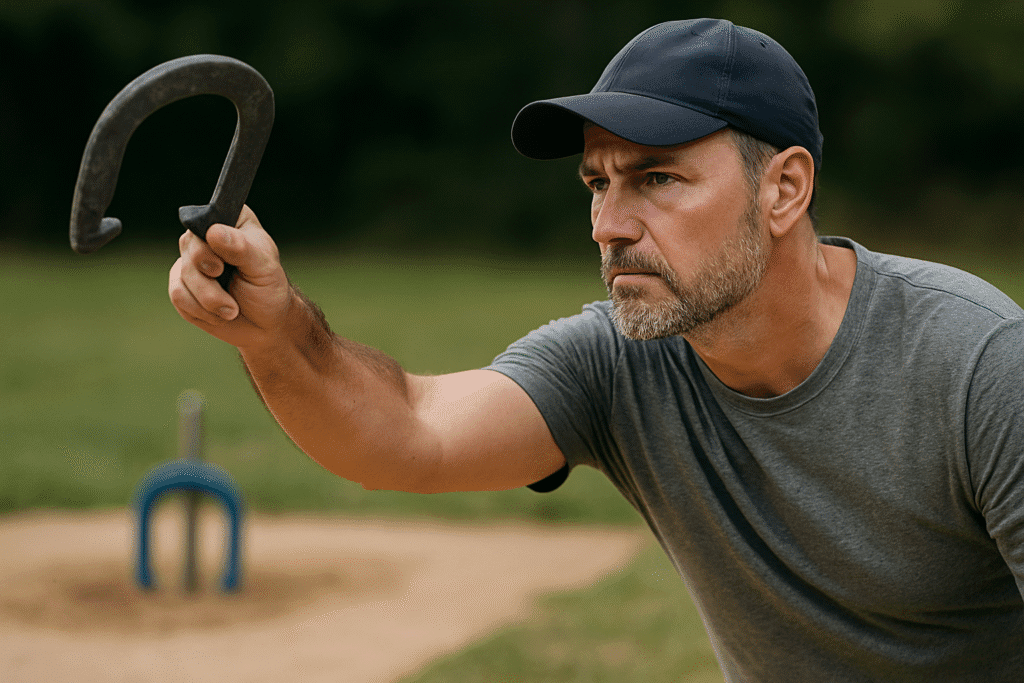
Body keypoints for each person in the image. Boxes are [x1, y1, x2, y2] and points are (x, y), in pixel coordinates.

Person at [169, 18, 1024, 682]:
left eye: (657, 177)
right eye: (597, 182)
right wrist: (280, 333)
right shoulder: (620, 359)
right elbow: (406, 430)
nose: (610, 225)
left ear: (785, 188)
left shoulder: (977, 364)